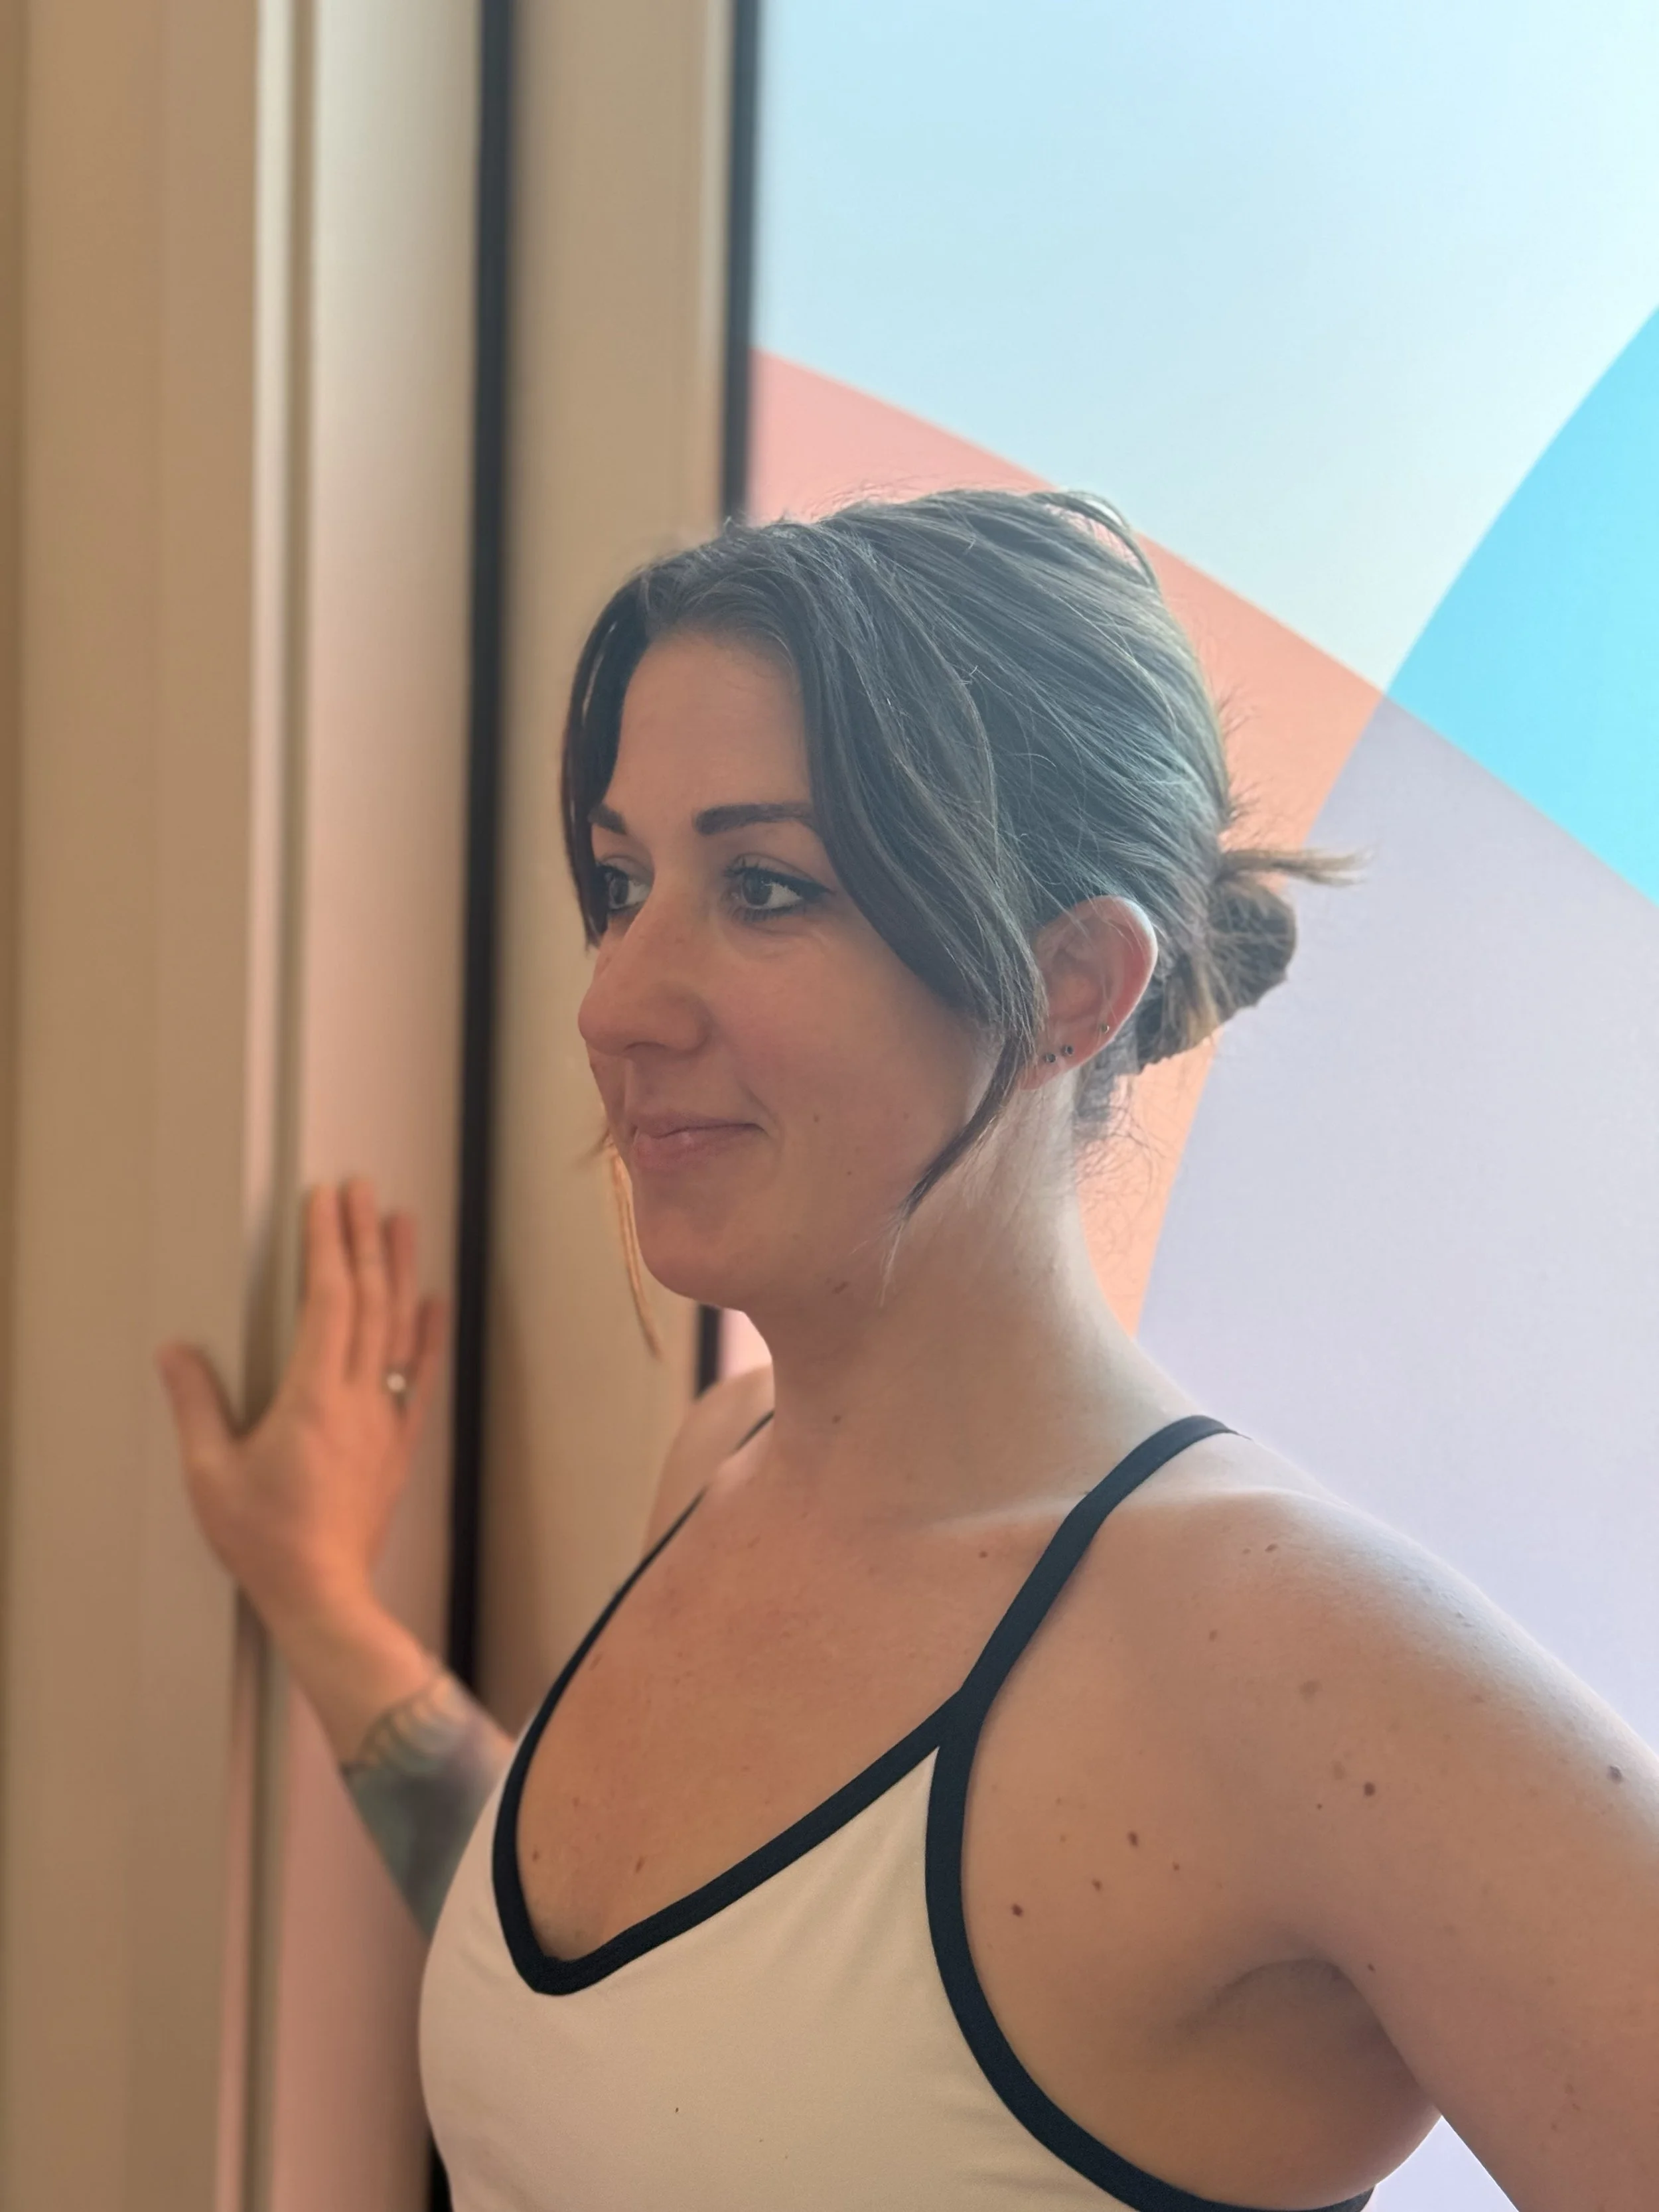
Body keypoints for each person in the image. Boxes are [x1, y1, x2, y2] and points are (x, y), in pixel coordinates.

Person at [157, 489, 1659, 2211]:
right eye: (624, 883)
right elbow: (684, 2054)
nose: (612, 1002)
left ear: (1069, 985)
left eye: (765, 887)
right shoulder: (720, 1463)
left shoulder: (1273, 1652)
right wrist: (321, 1603)